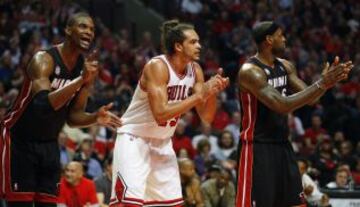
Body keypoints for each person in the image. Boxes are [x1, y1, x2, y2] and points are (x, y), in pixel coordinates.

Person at [0, 12, 122, 207]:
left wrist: (95, 118)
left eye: (91, 29)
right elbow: (42, 106)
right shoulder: (44, 59)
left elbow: (74, 117)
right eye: (83, 27)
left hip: (49, 143)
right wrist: (80, 80)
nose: (89, 32)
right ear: (67, 30)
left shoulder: (84, 68)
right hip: (19, 140)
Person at [110, 19, 229, 206]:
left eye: (198, 41)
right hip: (134, 138)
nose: (200, 45)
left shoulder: (195, 70)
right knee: (128, 203)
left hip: (163, 142)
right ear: (178, 46)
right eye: (193, 42)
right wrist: (200, 95)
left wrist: (212, 93)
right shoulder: (157, 66)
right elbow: (161, 114)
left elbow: (206, 118)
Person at [236, 21, 353, 207]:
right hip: (257, 147)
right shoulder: (251, 71)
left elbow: (311, 99)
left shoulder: (285, 66)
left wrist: (326, 83)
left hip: (283, 144)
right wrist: (321, 84)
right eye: (280, 35)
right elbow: (282, 105)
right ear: (268, 40)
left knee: (295, 203)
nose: (284, 39)